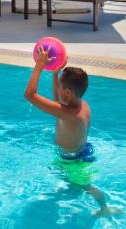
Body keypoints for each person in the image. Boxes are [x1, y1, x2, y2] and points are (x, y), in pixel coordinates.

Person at [24, 47, 119, 216]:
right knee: (72, 184)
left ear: (68, 92)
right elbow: (59, 101)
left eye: (60, 85)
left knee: (86, 186)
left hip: (73, 161)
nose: (58, 88)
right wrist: (54, 72)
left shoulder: (69, 114)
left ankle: (105, 209)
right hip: (78, 153)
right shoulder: (82, 105)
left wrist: (39, 65)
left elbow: (30, 95)